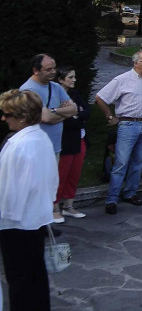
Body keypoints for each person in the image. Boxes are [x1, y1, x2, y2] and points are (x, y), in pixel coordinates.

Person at [0, 90, 58, 311]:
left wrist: (5, 218)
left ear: (22, 116)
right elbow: (52, 178)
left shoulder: (18, 145)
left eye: (7, 113)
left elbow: (11, 191)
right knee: (36, 274)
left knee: (19, 279)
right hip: (37, 218)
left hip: (16, 223)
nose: (4, 118)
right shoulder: (40, 137)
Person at [96, 50, 142, 215]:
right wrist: (110, 116)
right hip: (128, 125)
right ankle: (112, 199)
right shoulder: (122, 80)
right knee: (121, 163)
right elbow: (100, 97)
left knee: (139, 161)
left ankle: (130, 193)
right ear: (136, 63)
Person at [20, 54, 76, 221]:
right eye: (48, 69)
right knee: (36, 188)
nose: (53, 72)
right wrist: (59, 112)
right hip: (36, 150)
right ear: (36, 71)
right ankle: (34, 223)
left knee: (49, 187)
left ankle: (44, 222)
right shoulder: (28, 90)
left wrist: (52, 111)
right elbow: (45, 119)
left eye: (54, 68)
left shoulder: (55, 87)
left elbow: (73, 109)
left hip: (54, 147)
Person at [55, 66, 90, 220]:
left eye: (74, 76)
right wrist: (74, 115)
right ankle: (54, 206)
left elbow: (86, 112)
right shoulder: (55, 96)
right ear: (61, 79)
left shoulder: (75, 94)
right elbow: (58, 117)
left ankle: (69, 205)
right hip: (64, 140)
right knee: (61, 174)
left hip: (79, 138)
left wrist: (73, 114)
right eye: (70, 77)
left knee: (74, 173)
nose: (74, 80)